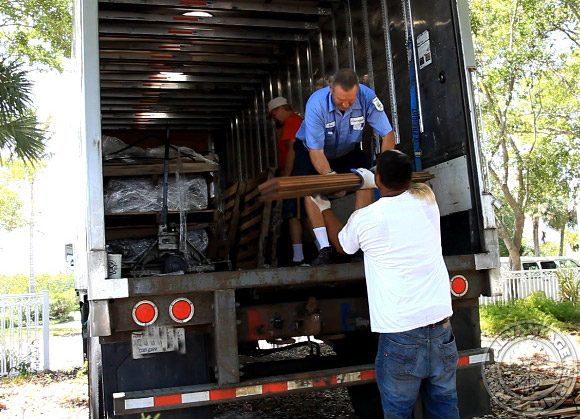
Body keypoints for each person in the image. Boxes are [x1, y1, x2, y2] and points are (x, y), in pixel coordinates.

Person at [310, 150, 459, 418]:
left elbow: (342, 246)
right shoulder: (427, 201)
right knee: (445, 406)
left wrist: (326, 210)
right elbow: (409, 187)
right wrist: (372, 183)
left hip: (400, 334)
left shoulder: (366, 219)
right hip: (441, 330)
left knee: (398, 412)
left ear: (379, 178)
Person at [294, 68, 395, 265]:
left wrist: (384, 167)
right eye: (341, 100)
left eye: (351, 100)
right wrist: (332, 179)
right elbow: (316, 152)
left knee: (365, 179)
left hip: (347, 149)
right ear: (330, 88)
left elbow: (387, 134)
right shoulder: (316, 104)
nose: (346, 105)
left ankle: (357, 239)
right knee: (311, 190)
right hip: (313, 151)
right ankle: (324, 249)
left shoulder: (368, 97)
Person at [267, 96, 307, 265]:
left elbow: (292, 150)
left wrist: (286, 177)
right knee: (305, 214)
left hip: (297, 173)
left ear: (280, 109)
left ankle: (299, 257)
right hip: (300, 172)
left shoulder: (292, 121)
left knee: (294, 215)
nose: (275, 119)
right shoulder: (295, 122)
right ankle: (323, 249)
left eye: (274, 115)